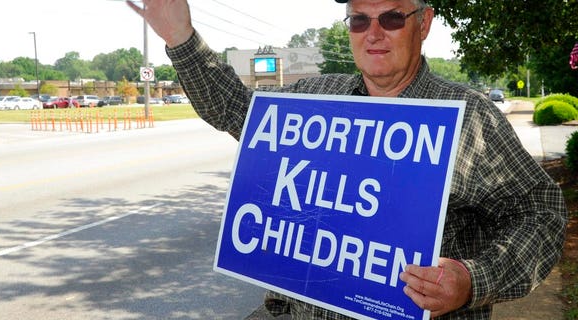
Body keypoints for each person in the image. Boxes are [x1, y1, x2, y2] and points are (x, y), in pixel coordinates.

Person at [127, 0, 568, 319]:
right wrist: (180, 37)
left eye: (392, 17)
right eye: (359, 19)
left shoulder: (470, 116)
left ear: (424, 22)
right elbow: (233, 109)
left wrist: (474, 280)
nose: (373, 33)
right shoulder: (313, 99)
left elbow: (540, 211)